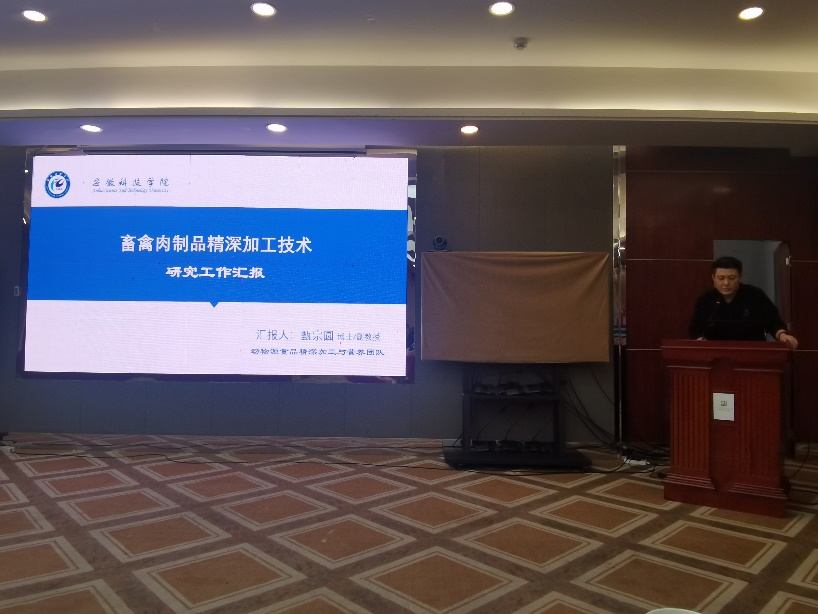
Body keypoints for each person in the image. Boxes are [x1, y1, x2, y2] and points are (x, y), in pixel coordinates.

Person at [689, 256, 798, 349]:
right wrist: (699, 340)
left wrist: (782, 335)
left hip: (753, 353)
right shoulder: (705, 300)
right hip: (716, 355)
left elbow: (773, 321)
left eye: (732, 278)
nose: (726, 283)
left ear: (740, 277)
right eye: (721, 278)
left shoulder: (755, 295)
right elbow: (696, 330)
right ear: (713, 278)